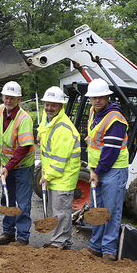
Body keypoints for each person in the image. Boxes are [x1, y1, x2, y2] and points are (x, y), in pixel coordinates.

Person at [84, 78, 129, 261]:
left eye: (101, 97)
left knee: (110, 210)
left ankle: (109, 249)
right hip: (99, 169)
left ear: (107, 97)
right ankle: (95, 245)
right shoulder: (93, 112)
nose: (97, 101)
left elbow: (110, 152)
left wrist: (97, 172)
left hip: (113, 169)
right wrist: (93, 169)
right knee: (97, 208)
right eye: (94, 98)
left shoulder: (115, 119)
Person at [37, 87, 80, 249]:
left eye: (53, 105)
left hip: (63, 176)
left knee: (60, 212)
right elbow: (43, 128)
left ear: (61, 106)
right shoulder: (49, 119)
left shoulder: (63, 128)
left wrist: (47, 177)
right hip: (55, 175)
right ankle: (64, 241)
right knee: (59, 211)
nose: (49, 108)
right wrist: (39, 134)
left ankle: (58, 243)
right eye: (47, 105)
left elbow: (59, 160)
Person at [0, 81, 35, 246]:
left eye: (12, 98)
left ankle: (23, 236)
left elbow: (24, 148)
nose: (8, 100)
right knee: (7, 198)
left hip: (22, 166)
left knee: (23, 201)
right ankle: (8, 232)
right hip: (6, 165)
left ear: (19, 99)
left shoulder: (24, 119)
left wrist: (8, 167)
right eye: (6, 97)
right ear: (2, 96)